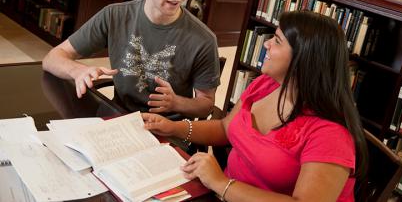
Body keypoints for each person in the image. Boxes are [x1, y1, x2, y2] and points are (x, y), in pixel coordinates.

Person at [142, 10, 368, 201]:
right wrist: (173, 128)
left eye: (277, 40)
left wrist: (222, 183)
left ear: (304, 59)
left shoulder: (331, 134)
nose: (267, 44)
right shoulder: (265, 85)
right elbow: (225, 129)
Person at [42, 0, 220, 118]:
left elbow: (206, 105)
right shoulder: (114, 15)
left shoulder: (204, 40)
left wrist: (176, 102)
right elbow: (51, 59)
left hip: (169, 131)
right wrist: (77, 70)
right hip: (120, 120)